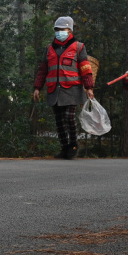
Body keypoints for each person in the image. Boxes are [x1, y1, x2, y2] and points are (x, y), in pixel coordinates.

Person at [31, 16, 95, 160]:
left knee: (69, 117)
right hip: (55, 90)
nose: (60, 32)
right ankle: (64, 147)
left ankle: (73, 145)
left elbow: (85, 68)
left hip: (72, 89)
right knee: (59, 120)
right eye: (57, 29)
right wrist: (37, 87)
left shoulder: (79, 47)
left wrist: (89, 87)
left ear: (70, 30)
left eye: (63, 29)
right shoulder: (49, 49)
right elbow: (43, 70)